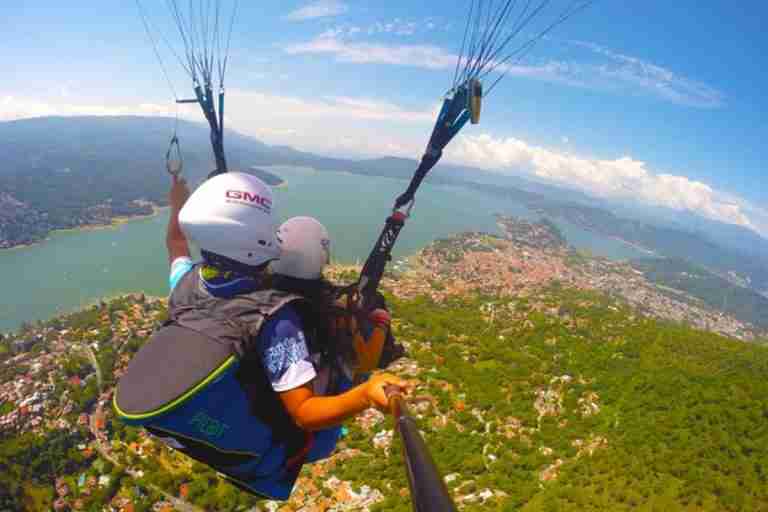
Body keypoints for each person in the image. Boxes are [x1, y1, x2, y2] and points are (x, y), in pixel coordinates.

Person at [115, 172, 407, 500]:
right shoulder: (277, 320)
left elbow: (176, 243)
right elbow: (305, 413)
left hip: (202, 415)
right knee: (348, 354)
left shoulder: (186, 283)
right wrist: (366, 393)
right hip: (280, 437)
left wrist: (177, 201)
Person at [270, 216, 392, 383]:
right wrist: (382, 326)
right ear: (322, 255)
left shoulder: (257, 296)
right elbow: (365, 364)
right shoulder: (335, 312)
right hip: (319, 392)